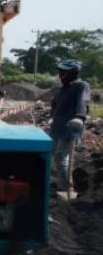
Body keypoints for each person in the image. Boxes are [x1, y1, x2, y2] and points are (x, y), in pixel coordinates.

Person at [50, 59, 90, 198]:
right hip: (57, 126)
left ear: (73, 73)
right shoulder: (62, 89)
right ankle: (58, 181)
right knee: (53, 154)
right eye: (60, 72)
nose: (60, 74)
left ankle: (66, 188)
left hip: (71, 126)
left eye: (63, 72)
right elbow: (55, 104)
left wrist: (79, 117)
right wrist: (52, 116)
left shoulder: (81, 85)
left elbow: (82, 102)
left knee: (61, 156)